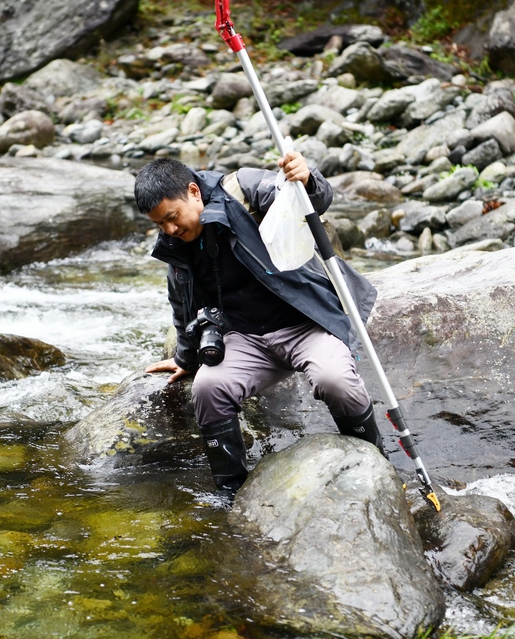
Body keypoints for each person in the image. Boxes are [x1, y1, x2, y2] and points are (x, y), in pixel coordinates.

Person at [135, 151, 380, 491]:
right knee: (207, 388)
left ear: (193, 191)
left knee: (335, 379)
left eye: (172, 217)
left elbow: (309, 204)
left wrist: (306, 180)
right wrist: (184, 358)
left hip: (305, 323)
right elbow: (182, 306)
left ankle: (374, 466)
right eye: (159, 224)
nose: (170, 229)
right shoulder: (176, 246)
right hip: (246, 339)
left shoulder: (243, 189)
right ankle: (231, 492)